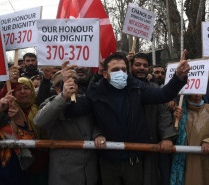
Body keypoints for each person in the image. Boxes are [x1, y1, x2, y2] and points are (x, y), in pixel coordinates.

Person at [63, 51, 190, 185]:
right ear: (105, 74)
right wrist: (66, 91)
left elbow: (162, 95)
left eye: (123, 69)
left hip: (133, 160)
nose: (120, 73)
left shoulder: (136, 87)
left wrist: (178, 77)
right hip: (108, 161)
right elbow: (73, 110)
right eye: (115, 70)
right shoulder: (96, 92)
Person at [34, 70, 101, 185]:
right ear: (56, 88)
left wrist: (98, 134)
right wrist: (63, 97)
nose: (69, 87)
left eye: (73, 83)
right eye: (63, 83)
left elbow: (97, 121)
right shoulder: (50, 103)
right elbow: (39, 122)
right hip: (64, 171)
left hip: (89, 171)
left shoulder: (86, 102)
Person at [130, 53, 177, 185]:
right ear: (131, 66)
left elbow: (164, 114)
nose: (141, 68)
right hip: (127, 146)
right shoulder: (123, 88)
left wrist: (167, 138)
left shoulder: (154, 89)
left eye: (145, 65)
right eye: (137, 64)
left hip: (151, 144)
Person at [171, 95, 209, 185]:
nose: (196, 95)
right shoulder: (180, 111)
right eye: (193, 92)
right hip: (187, 162)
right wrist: (176, 120)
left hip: (207, 161)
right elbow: (174, 135)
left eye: (199, 92)